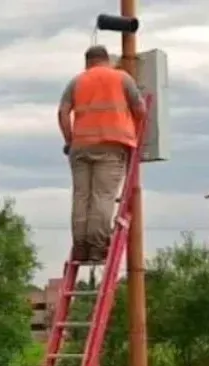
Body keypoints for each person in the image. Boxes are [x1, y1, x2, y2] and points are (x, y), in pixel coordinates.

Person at [57, 45, 147, 263]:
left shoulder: (77, 81)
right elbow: (141, 110)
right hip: (112, 144)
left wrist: (69, 141)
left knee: (81, 197)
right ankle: (97, 248)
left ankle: (80, 247)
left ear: (87, 62)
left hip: (80, 146)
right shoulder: (122, 79)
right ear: (107, 60)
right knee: (102, 197)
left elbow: (62, 112)